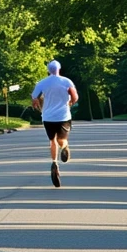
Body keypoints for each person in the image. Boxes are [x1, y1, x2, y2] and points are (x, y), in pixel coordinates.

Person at [31, 60, 79, 188]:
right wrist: (70, 103)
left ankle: (54, 162)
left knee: (52, 141)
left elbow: (34, 99)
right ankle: (64, 148)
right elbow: (75, 97)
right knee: (62, 139)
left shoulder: (42, 83)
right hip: (63, 116)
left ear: (48, 70)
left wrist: (38, 107)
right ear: (59, 69)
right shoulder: (67, 81)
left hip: (48, 117)